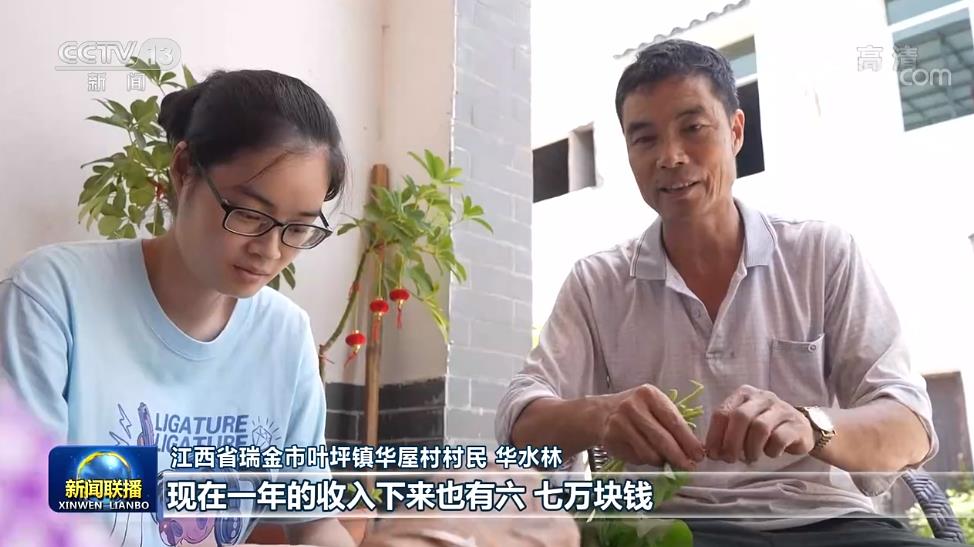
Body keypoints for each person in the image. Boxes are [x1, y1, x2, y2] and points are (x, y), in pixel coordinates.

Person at [496, 39, 951, 546]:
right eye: (644, 139)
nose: (670, 157)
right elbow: (519, 420)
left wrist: (811, 425)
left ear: (735, 131)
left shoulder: (821, 254)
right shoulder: (597, 283)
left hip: (827, 522)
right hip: (668, 529)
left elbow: (910, 427)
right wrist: (598, 416)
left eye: (693, 128)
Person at [0, 69, 355, 547]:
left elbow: (313, 521)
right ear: (184, 168)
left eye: (298, 228)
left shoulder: (285, 335)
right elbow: (23, 501)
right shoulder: (52, 296)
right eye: (249, 214)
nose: (270, 251)